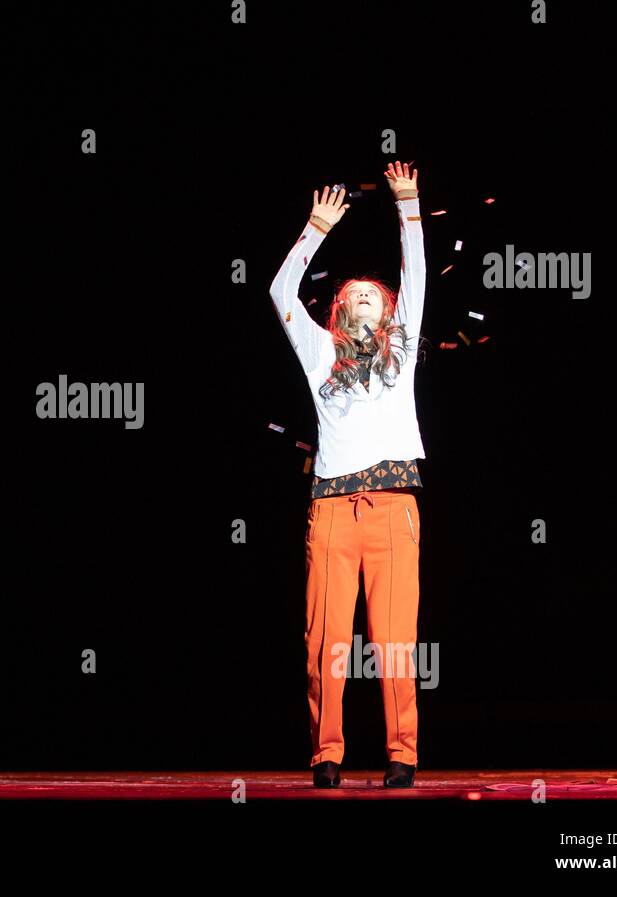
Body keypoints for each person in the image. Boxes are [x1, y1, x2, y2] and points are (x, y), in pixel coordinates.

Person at [268, 162, 427, 788]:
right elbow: (281, 294)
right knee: (325, 638)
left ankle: (402, 753)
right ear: (338, 311)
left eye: (374, 294)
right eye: (353, 292)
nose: (363, 293)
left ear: (387, 313)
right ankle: (326, 753)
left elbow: (415, 275)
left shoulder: (403, 350)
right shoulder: (319, 355)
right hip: (333, 510)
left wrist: (408, 204)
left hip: (393, 508)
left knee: (394, 639)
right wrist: (314, 229)